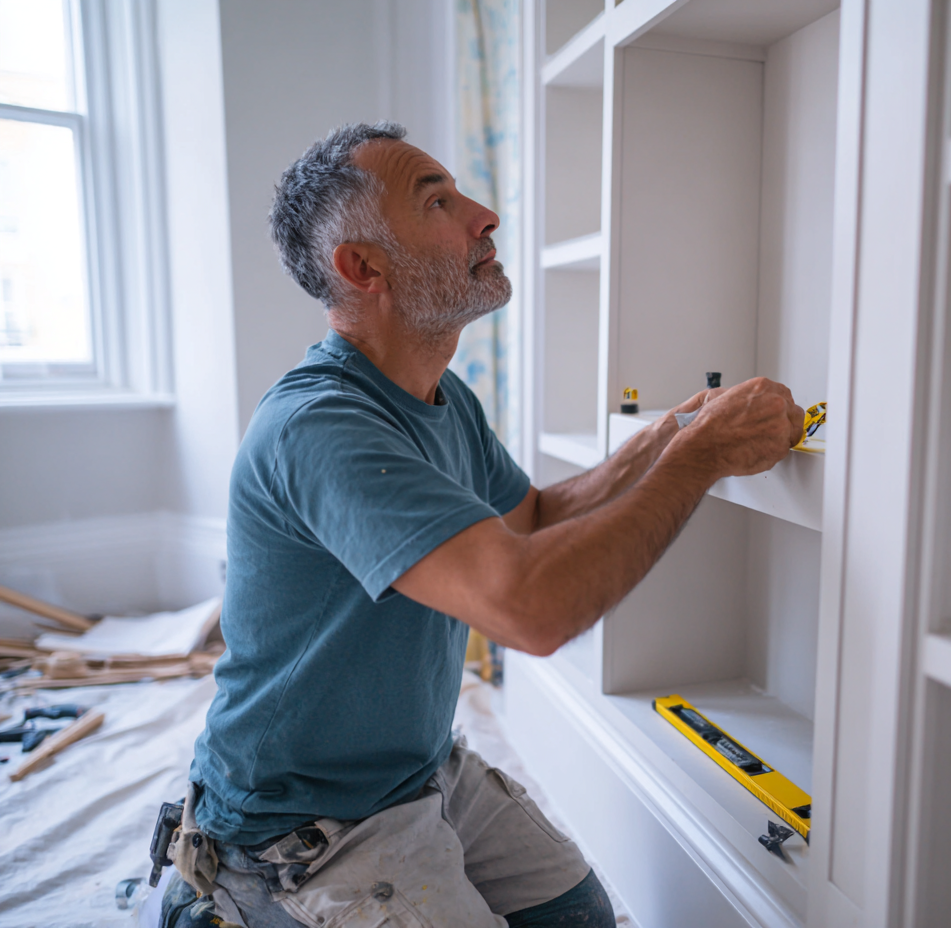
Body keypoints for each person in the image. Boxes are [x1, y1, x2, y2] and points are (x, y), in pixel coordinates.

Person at [161, 122, 803, 928]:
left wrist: (670, 433)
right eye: (440, 201)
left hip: (415, 776)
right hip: (294, 834)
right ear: (364, 269)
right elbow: (530, 609)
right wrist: (702, 456)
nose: (486, 214)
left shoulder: (440, 396)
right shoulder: (320, 426)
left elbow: (534, 519)